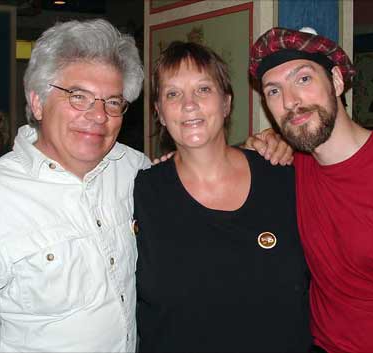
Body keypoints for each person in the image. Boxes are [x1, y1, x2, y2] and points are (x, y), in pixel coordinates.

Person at [0, 19, 149, 352]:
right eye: (79, 97)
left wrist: (259, 148)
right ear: (37, 102)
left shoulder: (135, 170)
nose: (98, 116)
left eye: (112, 102)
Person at [246, 27, 373, 352]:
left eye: (303, 79)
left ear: (337, 81)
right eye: (274, 91)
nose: (290, 101)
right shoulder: (293, 167)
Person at [133, 41, 311, 352]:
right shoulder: (139, 193)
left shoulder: (284, 177)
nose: (189, 104)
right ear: (160, 113)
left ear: (227, 103)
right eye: (173, 94)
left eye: (203, 89)